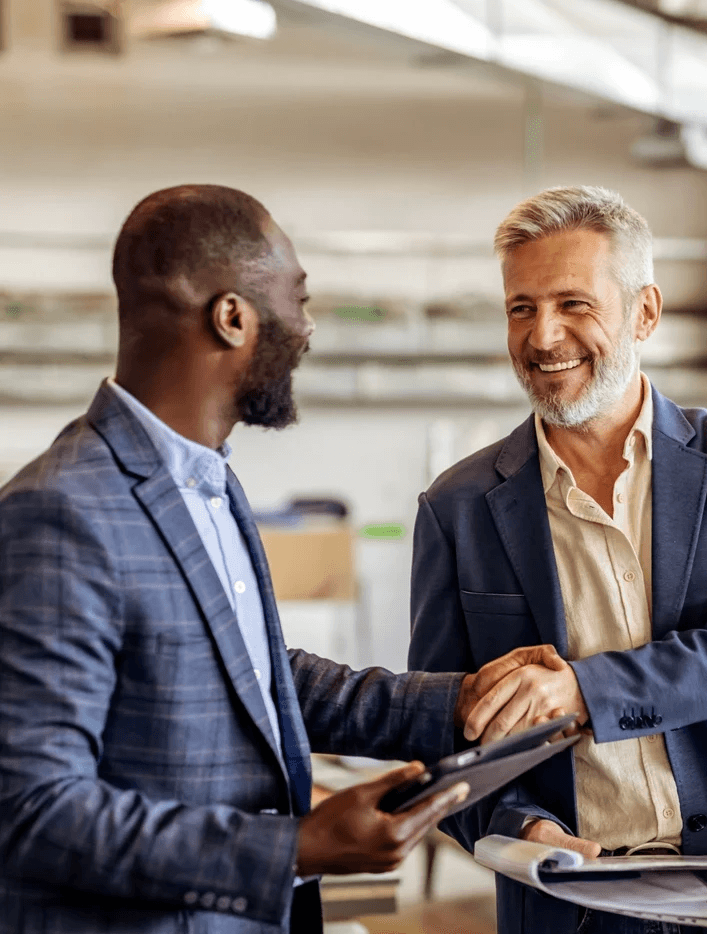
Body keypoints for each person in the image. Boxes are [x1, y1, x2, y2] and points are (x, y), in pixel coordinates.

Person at [0, 184, 566, 934]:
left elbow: (257, 679)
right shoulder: (62, 511)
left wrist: (454, 703)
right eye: (297, 299)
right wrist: (298, 847)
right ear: (232, 317)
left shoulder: (208, 484)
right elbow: (31, 809)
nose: (307, 327)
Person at [408, 185, 707, 934]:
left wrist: (586, 691)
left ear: (645, 312)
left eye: (574, 304)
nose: (543, 336)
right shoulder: (458, 506)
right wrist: (519, 826)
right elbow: (444, 737)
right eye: (521, 308)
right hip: (571, 908)